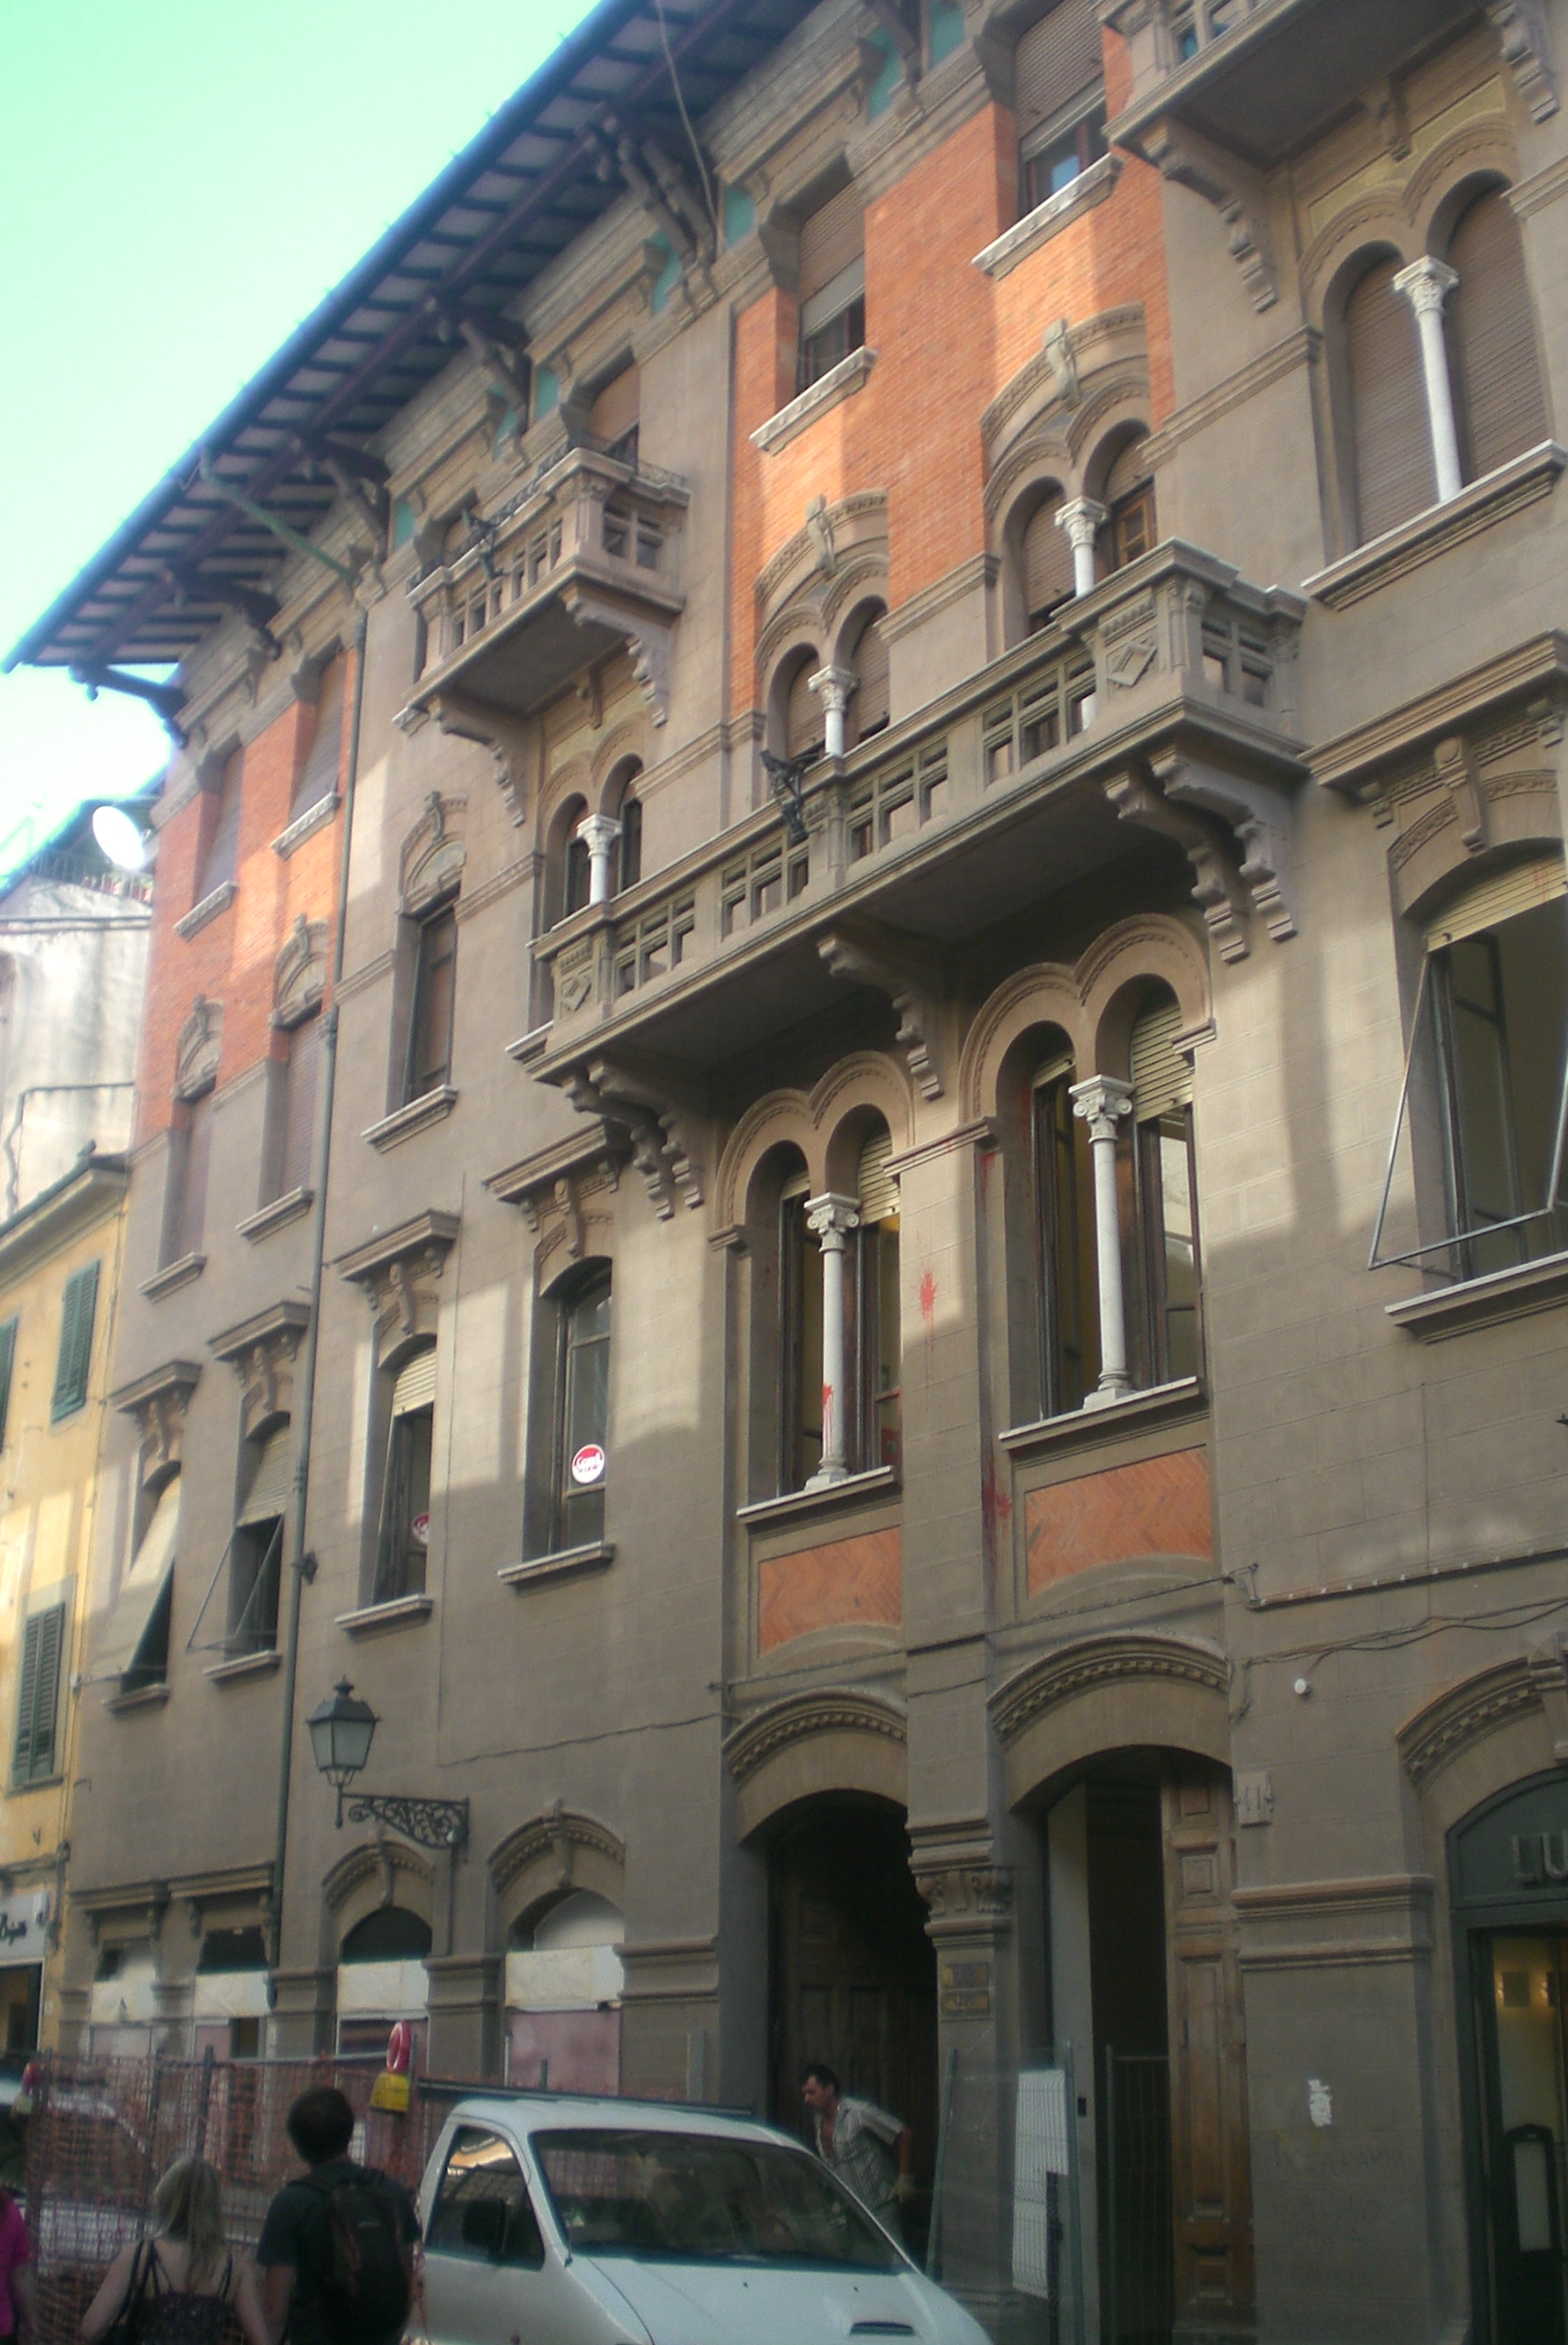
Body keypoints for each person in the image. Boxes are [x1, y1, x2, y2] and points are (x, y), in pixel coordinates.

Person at [256, 2088, 419, 2345]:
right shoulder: (391, 2192)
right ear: (349, 2132)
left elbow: (274, 2312)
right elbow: (405, 2283)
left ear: (298, 2145)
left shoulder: (292, 2204)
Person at [82, 2155, 268, 2345]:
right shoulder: (235, 2266)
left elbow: (90, 2329)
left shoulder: (140, 2255)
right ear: (213, 2205)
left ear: (165, 2198)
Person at [801, 2063, 915, 2241]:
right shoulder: (818, 2120)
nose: (807, 2099)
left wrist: (904, 2178)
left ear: (829, 2089)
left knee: (890, 2254)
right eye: (805, 2094)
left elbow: (903, 2134)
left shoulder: (858, 2112)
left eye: (812, 2092)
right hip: (851, 2211)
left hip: (879, 2205)